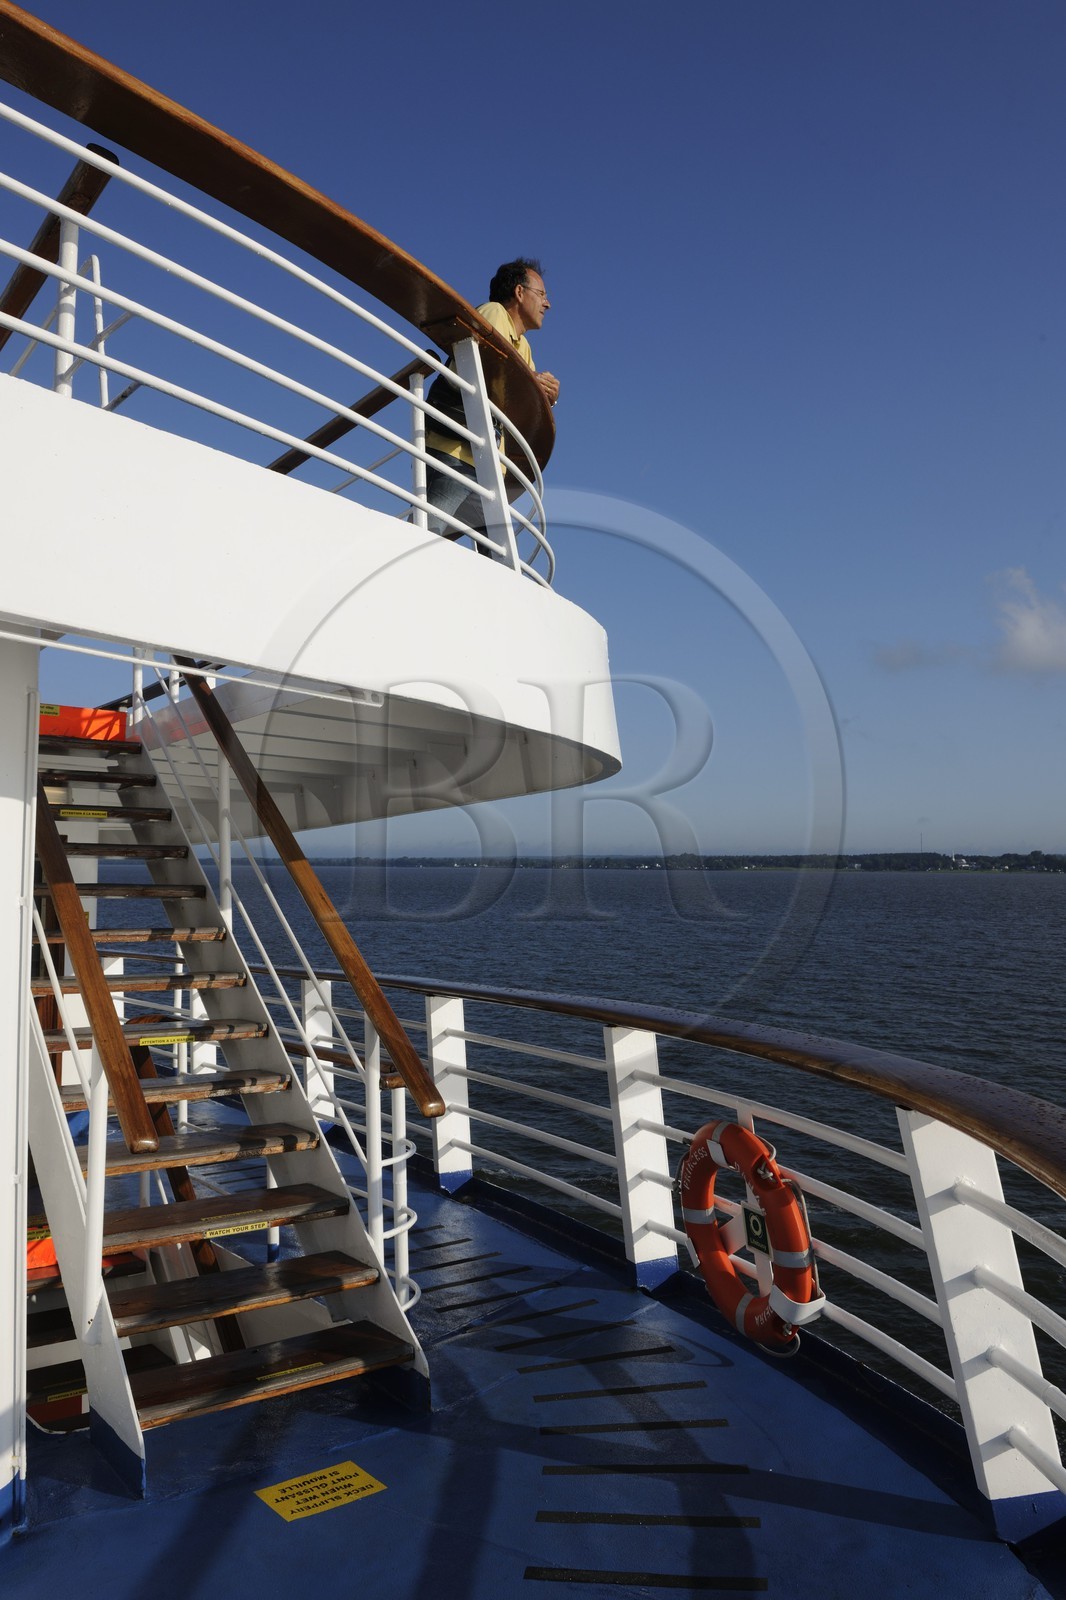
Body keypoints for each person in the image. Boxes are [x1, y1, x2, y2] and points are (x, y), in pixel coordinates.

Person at [423, 258, 559, 546]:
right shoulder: (494, 313)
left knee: (497, 557)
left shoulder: (524, 346)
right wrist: (533, 383)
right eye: (542, 294)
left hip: (484, 464)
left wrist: (546, 398)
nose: (548, 304)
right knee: (426, 532)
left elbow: (518, 399)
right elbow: (491, 370)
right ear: (520, 293)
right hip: (457, 450)